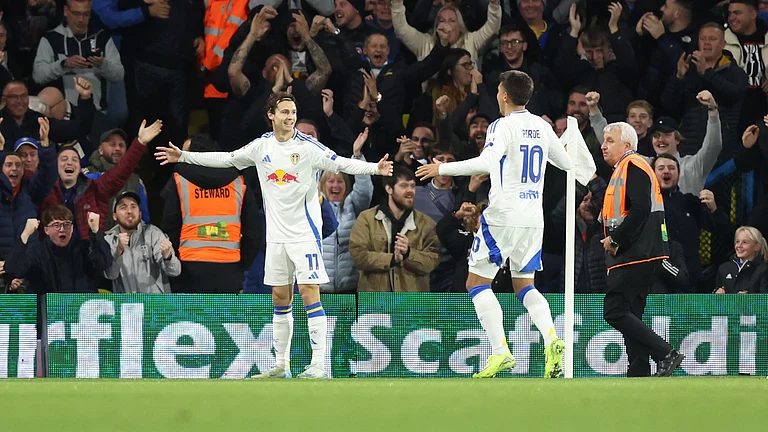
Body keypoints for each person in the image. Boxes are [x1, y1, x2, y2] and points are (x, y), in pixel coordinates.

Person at [155, 91, 393, 380]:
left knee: (309, 293)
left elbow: (340, 164)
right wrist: (184, 156)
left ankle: (319, 364)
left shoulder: (307, 146)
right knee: (280, 298)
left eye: (293, 112)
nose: (290, 117)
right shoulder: (261, 146)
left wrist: (375, 168)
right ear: (271, 115)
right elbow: (228, 159)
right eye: (285, 112)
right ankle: (282, 365)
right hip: (276, 238)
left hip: (304, 235)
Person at [416, 70, 572, 379]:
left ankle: (500, 351)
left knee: (476, 283)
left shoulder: (502, 125)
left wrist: (442, 168)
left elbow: (486, 162)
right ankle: (552, 338)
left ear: (504, 95)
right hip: (533, 218)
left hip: (503, 215)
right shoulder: (542, 126)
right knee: (524, 284)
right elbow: (567, 163)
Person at [599, 121, 685, 377]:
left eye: (610, 141)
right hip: (641, 252)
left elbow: (640, 209)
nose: (603, 146)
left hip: (634, 253)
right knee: (630, 314)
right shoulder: (626, 168)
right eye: (604, 140)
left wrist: (616, 240)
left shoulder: (632, 164)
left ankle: (665, 353)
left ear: (627, 144)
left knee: (614, 311)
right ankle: (638, 371)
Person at [104, 191, 181, 293]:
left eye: (133, 206)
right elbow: (110, 275)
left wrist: (167, 257)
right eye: (123, 207)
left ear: (140, 214)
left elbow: (175, 271)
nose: (129, 211)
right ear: (114, 216)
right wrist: (118, 252)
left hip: (155, 302)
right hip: (126, 303)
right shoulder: (109, 239)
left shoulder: (153, 233)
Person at [714, 226, 768, 294]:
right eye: (737, 241)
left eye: (744, 242)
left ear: (757, 246)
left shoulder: (763, 270)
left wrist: (749, 298)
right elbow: (715, 292)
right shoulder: (724, 268)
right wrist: (717, 293)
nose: (739, 245)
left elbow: (765, 297)